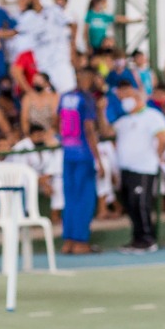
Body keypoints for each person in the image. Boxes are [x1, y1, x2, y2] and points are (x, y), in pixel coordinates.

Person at [113, 82, 165, 251]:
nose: (125, 100)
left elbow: (164, 138)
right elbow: (108, 131)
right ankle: (136, 239)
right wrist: (101, 110)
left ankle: (147, 240)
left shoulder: (153, 116)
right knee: (130, 205)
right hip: (126, 168)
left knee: (140, 203)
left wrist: (158, 156)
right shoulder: (123, 120)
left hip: (144, 168)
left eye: (129, 96)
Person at [57, 67, 105, 254]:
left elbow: (58, 122)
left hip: (68, 153)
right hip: (83, 154)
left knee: (70, 199)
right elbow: (89, 129)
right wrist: (98, 159)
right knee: (84, 199)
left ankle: (68, 240)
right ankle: (80, 241)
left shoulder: (65, 97)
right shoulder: (87, 99)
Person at [9, 0, 47, 96]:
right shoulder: (21, 16)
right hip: (22, 57)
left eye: (24, 0)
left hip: (30, 55)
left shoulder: (31, 16)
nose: (20, 3)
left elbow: (14, 32)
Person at [38, 0, 78, 93]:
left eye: (61, 1)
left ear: (66, 2)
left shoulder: (69, 16)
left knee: (67, 84)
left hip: (63, 56)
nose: (59, 3)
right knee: (49, 85)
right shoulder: (48, 14)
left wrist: (73, 47)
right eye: (57, 1)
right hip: (49, 57)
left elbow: (73, 27)